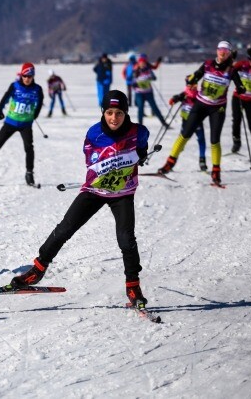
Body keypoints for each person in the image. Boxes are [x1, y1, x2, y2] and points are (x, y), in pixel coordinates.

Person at [9, 90, 152, 309]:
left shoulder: (138, 132)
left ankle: (133, 286)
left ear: (126, 113)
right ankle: (37, 270)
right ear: (103, 112)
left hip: (123, 194)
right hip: (95, 191)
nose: (114, 118)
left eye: (119, 113)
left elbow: (142, 149)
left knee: (126, 240)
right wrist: (105, 170)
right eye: (110, 112)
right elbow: (91, 161)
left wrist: (139, 157)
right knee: (65, 229)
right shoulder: (94, 134)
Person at [158, 41, 245, 185]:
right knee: (185, 134)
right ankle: (169, 164)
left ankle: (216, 172)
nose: (222, 52)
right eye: (220, 49)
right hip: (200, 104)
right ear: (217, 51)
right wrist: (191, 79)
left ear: (229, 53)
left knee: (214, 140)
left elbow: (239, 85)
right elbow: (196, 75)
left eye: (225, 50)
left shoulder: (231, 70)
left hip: (218, 108)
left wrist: (241, 89)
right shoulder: (208, 64)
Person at [168, 82, 208, 171]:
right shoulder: (184, 94)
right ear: (187, 85)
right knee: (181, 143)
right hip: (186, 123)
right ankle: (171, 162)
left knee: (201, 140)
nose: (193, 86)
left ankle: (202, 161)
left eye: (195, 84)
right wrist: (173, 100)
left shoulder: (199, 95)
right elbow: (176, 98)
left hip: (197, 122)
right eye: (191, 85)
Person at [133, 54, 167, 126]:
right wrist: (135, 84)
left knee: (154, 107)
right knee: (141, 109)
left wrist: (151, 78)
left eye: (144, 62)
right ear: (139, 63)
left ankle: (164, 123)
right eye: (141, 62)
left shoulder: (148, 69)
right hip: (139, 93)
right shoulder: (136, 69)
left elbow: (154, 77)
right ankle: (140, 126)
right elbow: (132, 80)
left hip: (148, 92)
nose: (142, 64)